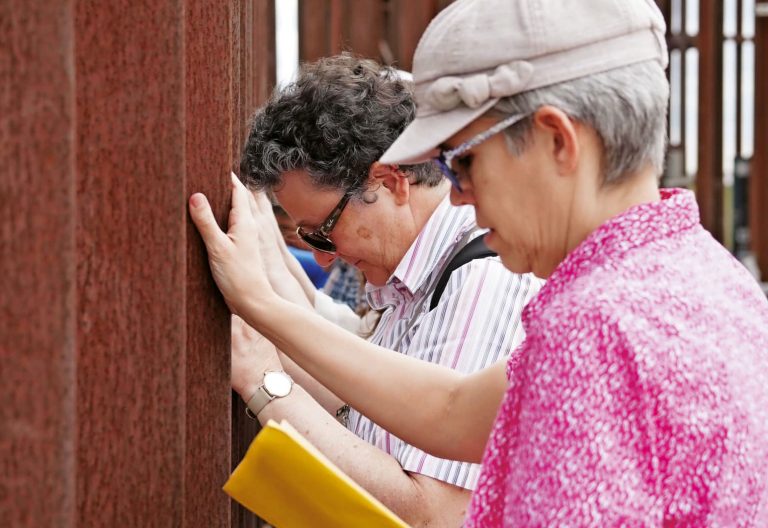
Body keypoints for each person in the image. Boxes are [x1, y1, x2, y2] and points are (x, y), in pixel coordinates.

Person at [189, 0, 768, 525]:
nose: (458, 196)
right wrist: (262, 306)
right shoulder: (708, 279)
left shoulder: (591, 327)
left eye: (462, 163)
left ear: (556, 140)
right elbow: (451, 410)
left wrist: (262, 342)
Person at [228, 53, 541, 526]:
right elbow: (358, 413)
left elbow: (434, 514)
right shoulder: (417, 275)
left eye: (323, 231)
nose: (323, 258)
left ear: (391, 182)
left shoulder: (483, 279)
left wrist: (262, 379)